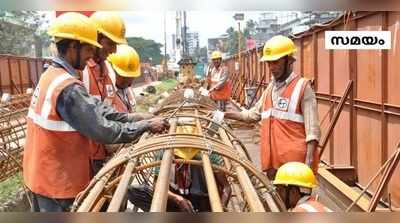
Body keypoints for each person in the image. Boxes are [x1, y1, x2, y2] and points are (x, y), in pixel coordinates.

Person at [23, 12, 169, 212]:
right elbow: (102, 130)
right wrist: (145, 126)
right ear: (73, 47)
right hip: (58, 181)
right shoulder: (68, 87)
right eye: (88, 49)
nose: (91, 55)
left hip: (43, 175)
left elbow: (97, 109)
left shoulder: (53, 75)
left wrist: (133, 117)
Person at [224, 35, 321, 179]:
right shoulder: (270, 89)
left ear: (289, 61)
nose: (271, 67)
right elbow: (251, 116)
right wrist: (224, 114)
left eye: (275, 62)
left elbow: (312, 130)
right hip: (273, 166)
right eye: (269, 63)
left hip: (295, 166)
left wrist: (308, 164)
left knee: (296, 202)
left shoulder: (302, 87)